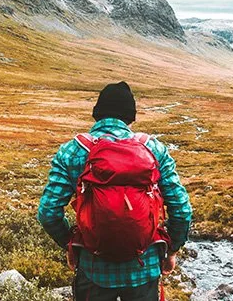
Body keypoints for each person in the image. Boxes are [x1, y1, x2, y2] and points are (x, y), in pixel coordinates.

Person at [37, 82, 192, 301]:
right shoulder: (153, 149)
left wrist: (71, 244)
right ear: (131, 116)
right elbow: (181, 209)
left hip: (93, 269)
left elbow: (48, 212)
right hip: (144, 268)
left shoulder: (73, 151)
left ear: (97, 114)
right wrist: (172, 249)